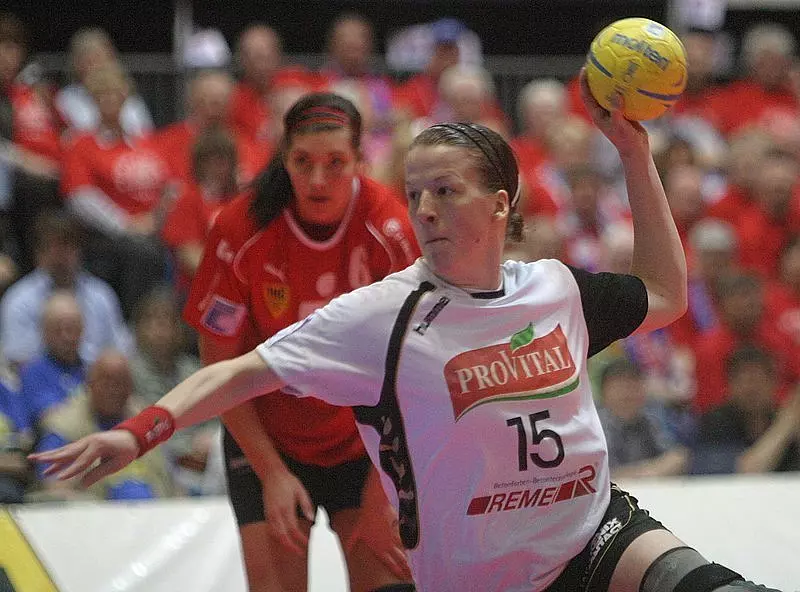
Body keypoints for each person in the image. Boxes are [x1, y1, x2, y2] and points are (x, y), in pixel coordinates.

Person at [32, 73, 782, 592]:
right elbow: (239, 370)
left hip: (592, 534)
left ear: (500, 204)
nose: (423, 209)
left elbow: (665, 294)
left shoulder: (554, 288)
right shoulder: (380, 316)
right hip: (479, 576)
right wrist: (138, 431)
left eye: (445, 192)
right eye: (417, 192)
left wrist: (634, 154)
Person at [182, 92, 417, 592]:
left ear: (360, 160)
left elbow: (414, 371)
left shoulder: (390, 228)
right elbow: (217, 366)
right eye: (303, 162)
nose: (317, 180)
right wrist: (270, 472)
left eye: (336, 163)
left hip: (364, 442)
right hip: (269, 436)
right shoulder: (241, 228)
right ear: (283, 158)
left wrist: (383, 489)